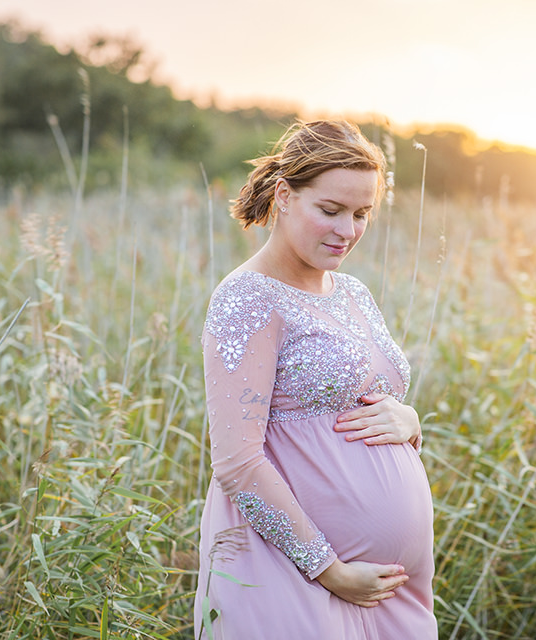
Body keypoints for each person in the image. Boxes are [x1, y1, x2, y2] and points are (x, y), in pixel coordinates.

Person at [194, 120, 437, 639]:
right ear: (284, 195)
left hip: (390, 593)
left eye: (361, 214)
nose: (347, 231)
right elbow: (238, 464)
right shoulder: (248, 299)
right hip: (295, 575)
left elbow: (369, 402)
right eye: (330, 211)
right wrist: (331, 570)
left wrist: (409, 418)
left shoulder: (352, 292)